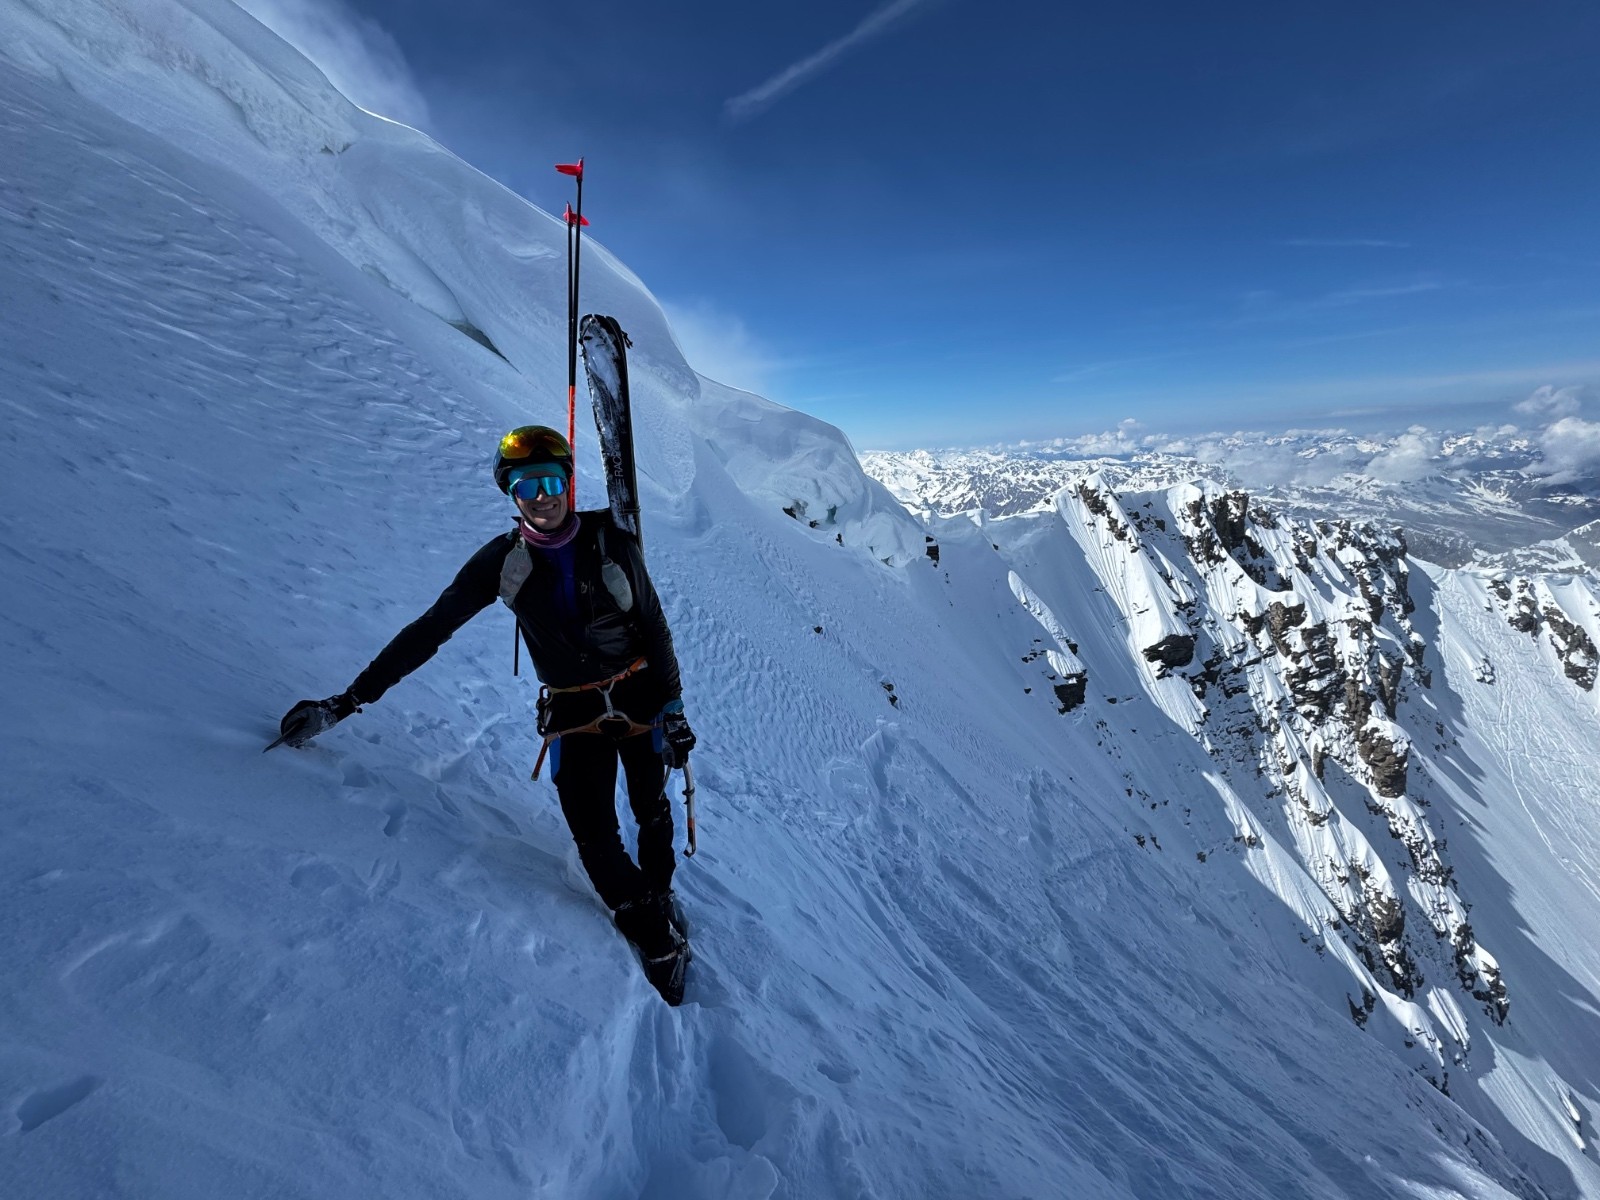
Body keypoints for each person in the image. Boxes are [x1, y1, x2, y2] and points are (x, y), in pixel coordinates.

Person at [276, 425, 697, 1001]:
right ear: (511, 493)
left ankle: (660, 890)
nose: (542, 495)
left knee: (651, 809)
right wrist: (347, 701)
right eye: (526, 485)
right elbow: (430, 630)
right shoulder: (501, 562)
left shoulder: (613, 543)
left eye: (552, 480)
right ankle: (654, 932)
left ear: (569, 484)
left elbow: (654, 627)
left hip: (642, 699)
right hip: (574, 714)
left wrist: (672, 705)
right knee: (595, 837)